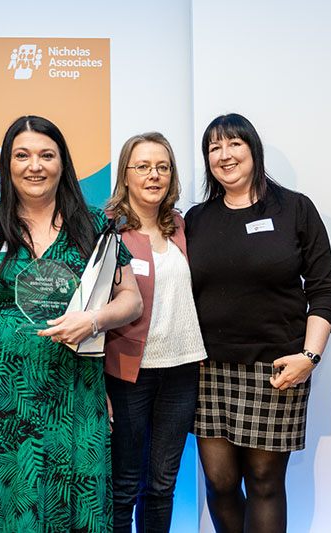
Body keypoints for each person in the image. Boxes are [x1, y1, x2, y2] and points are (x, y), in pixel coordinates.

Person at [0, 115, 143, 533]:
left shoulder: (93, 225)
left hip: (72, 383)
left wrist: (93, 319)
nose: (34, 165)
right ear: (7, 165)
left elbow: (131, 300)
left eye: (46, 155)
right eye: (22, 155)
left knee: (69, 493)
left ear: (62, 164)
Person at [185, 113, 331, 533]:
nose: (224, 154)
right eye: (213, 148)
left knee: (265, 484)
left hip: (277, 370)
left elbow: (323, 289)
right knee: (218, 484)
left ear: (253, 148)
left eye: (233, 143)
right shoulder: (196, 219)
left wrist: (310, 356)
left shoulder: (295, 209)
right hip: (208, 371)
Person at [103, 132, 207, 533]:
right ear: (125, 175)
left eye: (163, 167)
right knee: (123, 487)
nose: (154, 175)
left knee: (162, 486)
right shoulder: (108, 229)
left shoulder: (182, 226)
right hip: (129, 374)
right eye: (143, 166)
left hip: (182, 371)